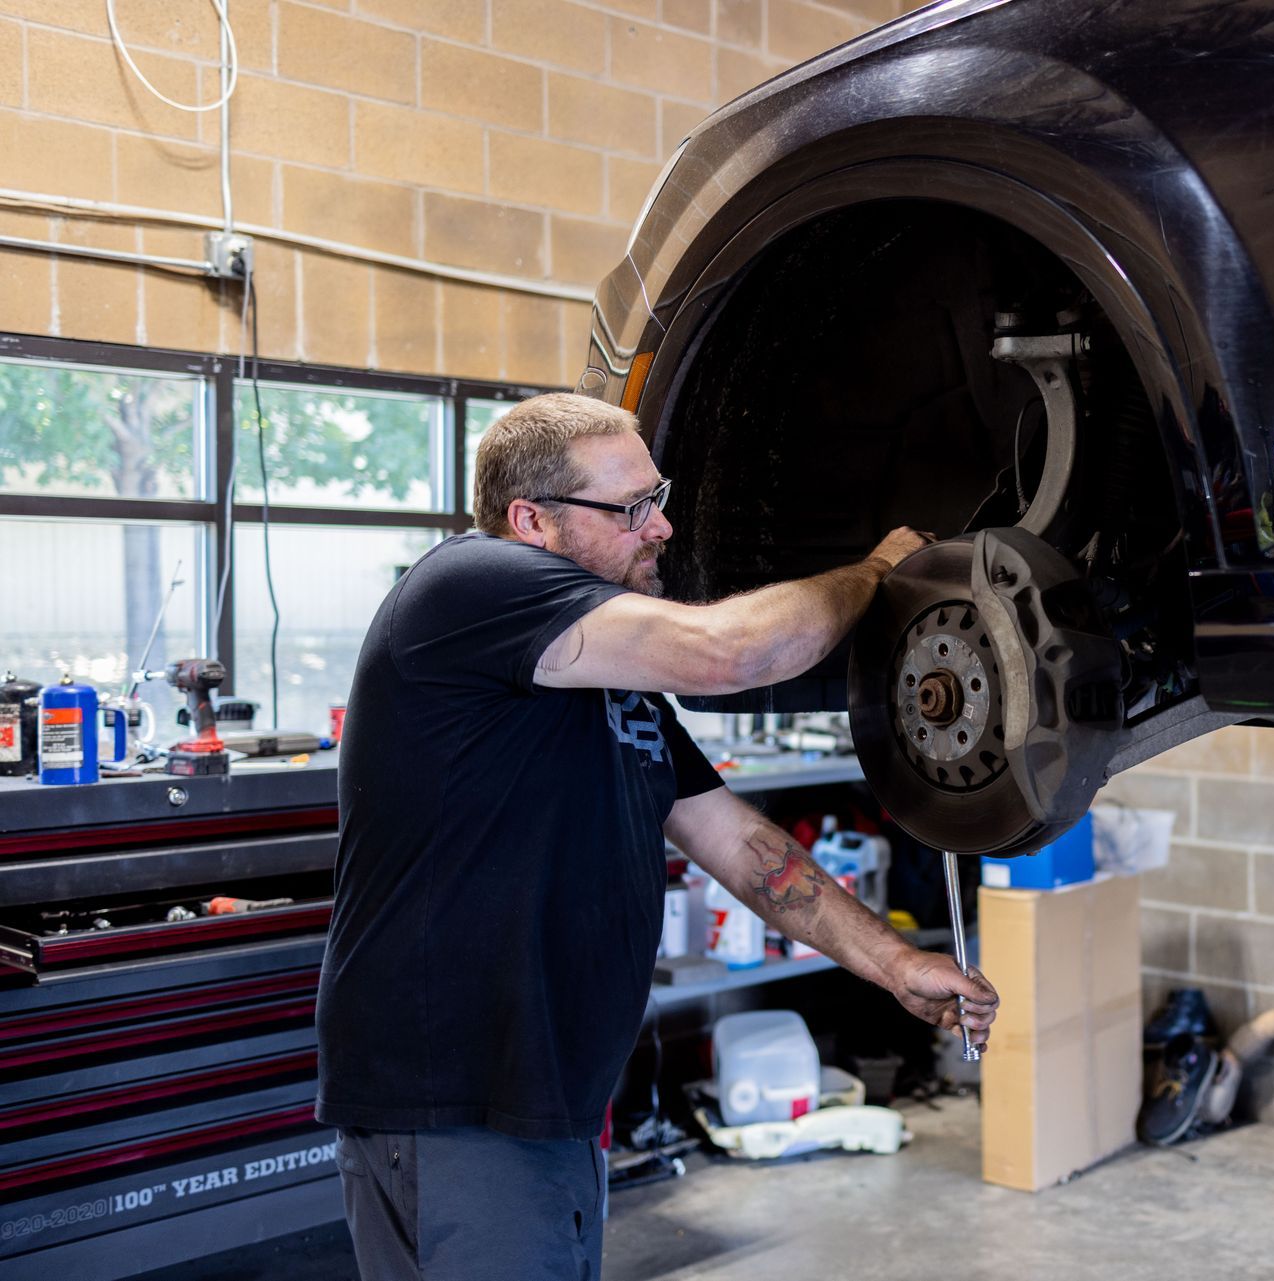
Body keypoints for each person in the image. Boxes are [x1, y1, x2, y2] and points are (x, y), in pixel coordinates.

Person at [315, 392, 999, 1280]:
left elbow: (744, 848)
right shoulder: (468, 584)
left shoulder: (609, 680)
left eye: (658, 495)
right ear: (531, 520)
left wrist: (895, 963)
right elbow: (730, 653)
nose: (664, 525)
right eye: (633, 507)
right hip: (460, 1101)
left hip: (544, 1098)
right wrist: (877, 571)